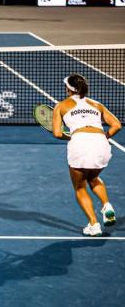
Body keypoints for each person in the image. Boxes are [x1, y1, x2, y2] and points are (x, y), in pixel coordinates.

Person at [52, 73, 121, 236]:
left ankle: (94, 224)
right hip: (101, 143)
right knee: (92, 178)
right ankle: (106, 205)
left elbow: (56, 133)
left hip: (80, 143)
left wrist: (72, 136)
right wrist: (105, 136)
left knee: (80, 187)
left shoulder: (61, 105)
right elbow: (116, 125)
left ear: (68, 89)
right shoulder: (97, 104)